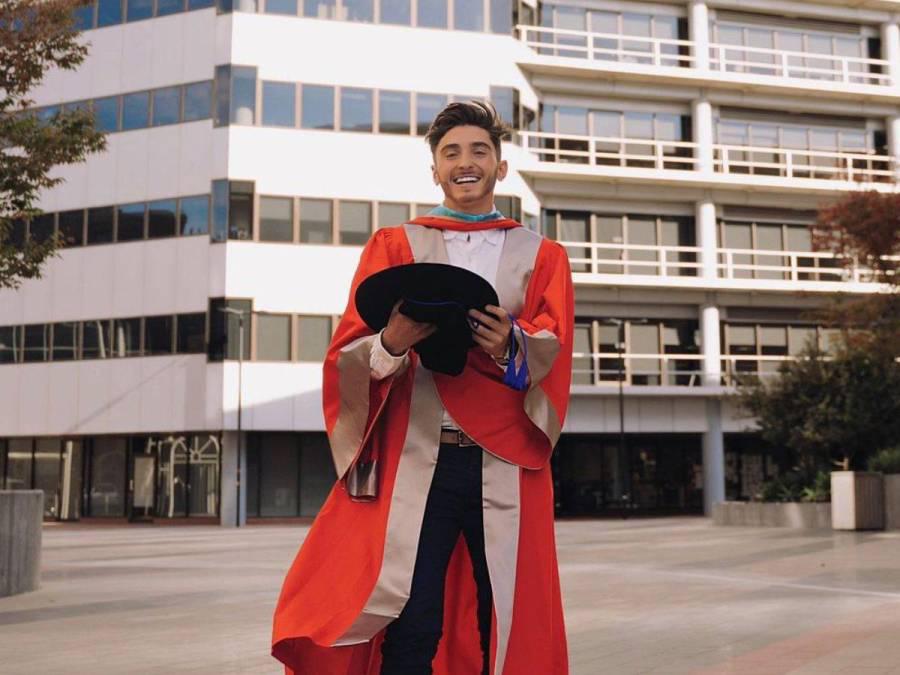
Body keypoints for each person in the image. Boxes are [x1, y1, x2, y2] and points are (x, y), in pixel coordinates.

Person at [272, 100, 574, 675]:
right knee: (412, 619)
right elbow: (346, 356)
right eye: (451, 153)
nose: (466, 162)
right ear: (435, 170)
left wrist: (510, 343)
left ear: (501, 167)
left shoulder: (543, 256)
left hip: (505, 462)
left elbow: (555, 353)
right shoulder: (394, 246)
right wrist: (392, 342)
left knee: (504, 616)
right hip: (418, 461)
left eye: (479, 151)